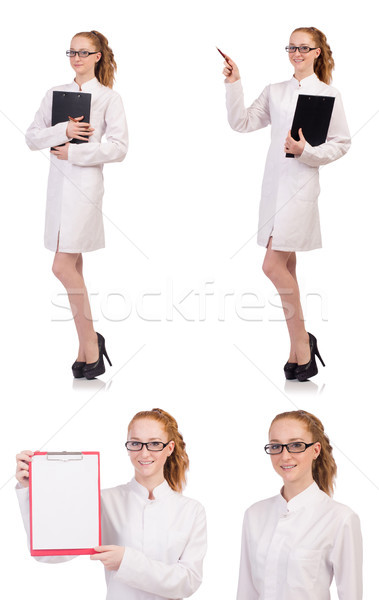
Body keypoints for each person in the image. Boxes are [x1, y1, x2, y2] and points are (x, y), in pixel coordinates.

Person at [222, 27, 350, 381]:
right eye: (292, 47)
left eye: (304, 47)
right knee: (287, 269)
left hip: (300, 189)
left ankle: (303, 345)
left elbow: (341, 143)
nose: (296, 53)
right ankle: (299, 347)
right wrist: (235, 83)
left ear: (318, 52)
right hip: (273, 188)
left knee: (272, 266)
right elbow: (241, 122)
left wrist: (305, 151)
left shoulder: (328, 94)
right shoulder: (276, 92)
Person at [15, 408, 207, 600]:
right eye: (136, 443)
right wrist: (30, 490)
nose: (144, 452)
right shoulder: (104, 501)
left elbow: (188, 581)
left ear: (170, 448)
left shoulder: (191, 511)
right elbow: (48, 552)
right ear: (128, 447)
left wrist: (126, 562)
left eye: (155, 443)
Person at [26, 30, 128, 379]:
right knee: (73, 268)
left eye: (84, 52)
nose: (77, 58)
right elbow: (31, 137)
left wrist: (77, 151)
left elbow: (119, 147)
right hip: (57, 189)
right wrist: (63, 132)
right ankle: (88, 345)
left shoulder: (108, 99)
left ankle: (91, 343)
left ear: (98, 56)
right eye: (72, 52)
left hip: (85, 189)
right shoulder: (55, 93)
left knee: (62, 266)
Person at [236, 410, 362, 599]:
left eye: (296, 445)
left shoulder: (340, 518)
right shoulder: (254, 514)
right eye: (276, 446)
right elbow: (246, 592)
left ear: (316, 450)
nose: (285, 456)